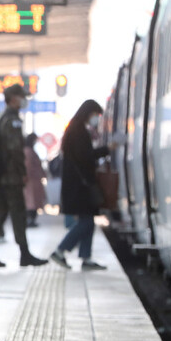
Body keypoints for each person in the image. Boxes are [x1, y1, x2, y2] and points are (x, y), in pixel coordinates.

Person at [0, 85, 48, 268]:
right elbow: (15, 150)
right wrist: (22, 172)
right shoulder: (12, 120)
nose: (23, 100)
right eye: (21, 96)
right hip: (10, 177)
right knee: (18, 215)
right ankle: (24, 254)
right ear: (12, 98)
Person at [50, 100, 112, 271]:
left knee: (88, 220)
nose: (96, 119)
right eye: (95, 115)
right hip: (80, 185)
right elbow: (86, 156)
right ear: (87, 113)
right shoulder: (78, 131)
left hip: (78, 184)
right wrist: (108, 149)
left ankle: (85, 257)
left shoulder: (76, 129)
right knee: (86, 222)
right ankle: (60, 250)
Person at [23, 133, 47, 227]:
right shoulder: (28, 151)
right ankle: (30, 220)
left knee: (33, 201)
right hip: (31, 180)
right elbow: (28, 166)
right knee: (31, 202)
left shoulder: (29, 151)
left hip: (34, 179)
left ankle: (31, 219)